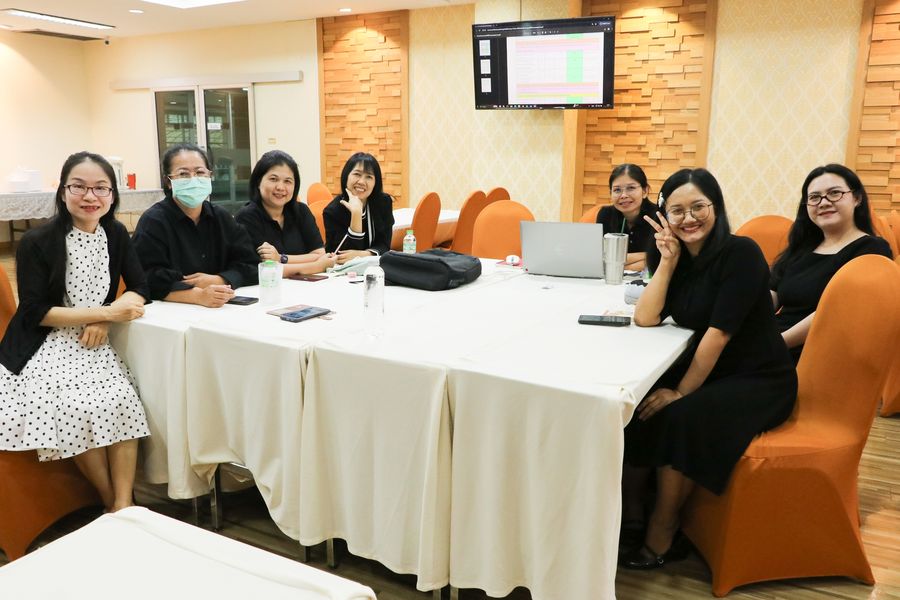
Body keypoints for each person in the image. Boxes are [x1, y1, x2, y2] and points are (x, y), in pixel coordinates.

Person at [621, 168, 797, 569]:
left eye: (698, 207)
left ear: (715, 207)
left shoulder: (741, 254)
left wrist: (681, 392)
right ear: (665, 214)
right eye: (677, 210)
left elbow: (717, 336)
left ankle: (663, 532)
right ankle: (632, 513)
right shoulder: (676, 256)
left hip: (758, 376)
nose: (688, 218)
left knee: (680, 415)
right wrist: (667, 263)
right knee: (638, 402)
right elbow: (645, 318)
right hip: (713, 368)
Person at [0, 152, 150, 512]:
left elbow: (140, 286)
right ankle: (109, 500)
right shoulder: (38, 241)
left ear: (112, 194)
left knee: (124, 402)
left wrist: (104, 320)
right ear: (63, 191)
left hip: (93, 341)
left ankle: (124, 505)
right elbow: (35, 312)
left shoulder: (116, 233)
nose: (90, 196)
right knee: (74, 409)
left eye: (101, 188)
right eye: (79, 187)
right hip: (45, 343)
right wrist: (106, 312)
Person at [771, 164, 892, 362]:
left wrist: (775, 344)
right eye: (814, 197)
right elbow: (771, 293)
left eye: (834, 193)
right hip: (773, 343)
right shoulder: (802, 248)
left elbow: (837, 311)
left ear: (857, 198)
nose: (824, 202)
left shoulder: (871, 249)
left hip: (815, 355)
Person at [132, 143, 258, 306]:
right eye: (183, 174)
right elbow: (146, 278)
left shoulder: (222, 217)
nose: (193, 179)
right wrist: (198, 295)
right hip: (171, 310)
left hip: (222, 305)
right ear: (168, 181)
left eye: (200, 172)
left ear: (210, 176)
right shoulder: (154, 221)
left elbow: (251, 265)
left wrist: (220, 279)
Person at [235, 150, 334, 276]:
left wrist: (281, 258)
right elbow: (263, 270)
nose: (280, 187)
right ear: (258, 182)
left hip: (307, 284)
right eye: (273, 179)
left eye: (287, 181)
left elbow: (319, 254)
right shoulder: (246, 218)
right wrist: (317, 266)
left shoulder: (302, 211)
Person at [323, 152, 394, 264]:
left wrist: (364, 254)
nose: (361, 182)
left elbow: (384, 244)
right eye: (357, 174)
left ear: (376, 182)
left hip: (376, 267)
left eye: (369, 177)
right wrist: (356, 214)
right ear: (346, 176)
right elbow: (342, 256)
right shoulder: (333, 211)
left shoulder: (383, 202)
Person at [596, 164, 657, 270]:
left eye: (631, 188)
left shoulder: (658, 216)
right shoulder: (605, 214)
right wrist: (645, 256)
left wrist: (619, 264)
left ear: (645, 191)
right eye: (617, 190)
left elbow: (661, 259)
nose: (623, 195)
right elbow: (601, 258)